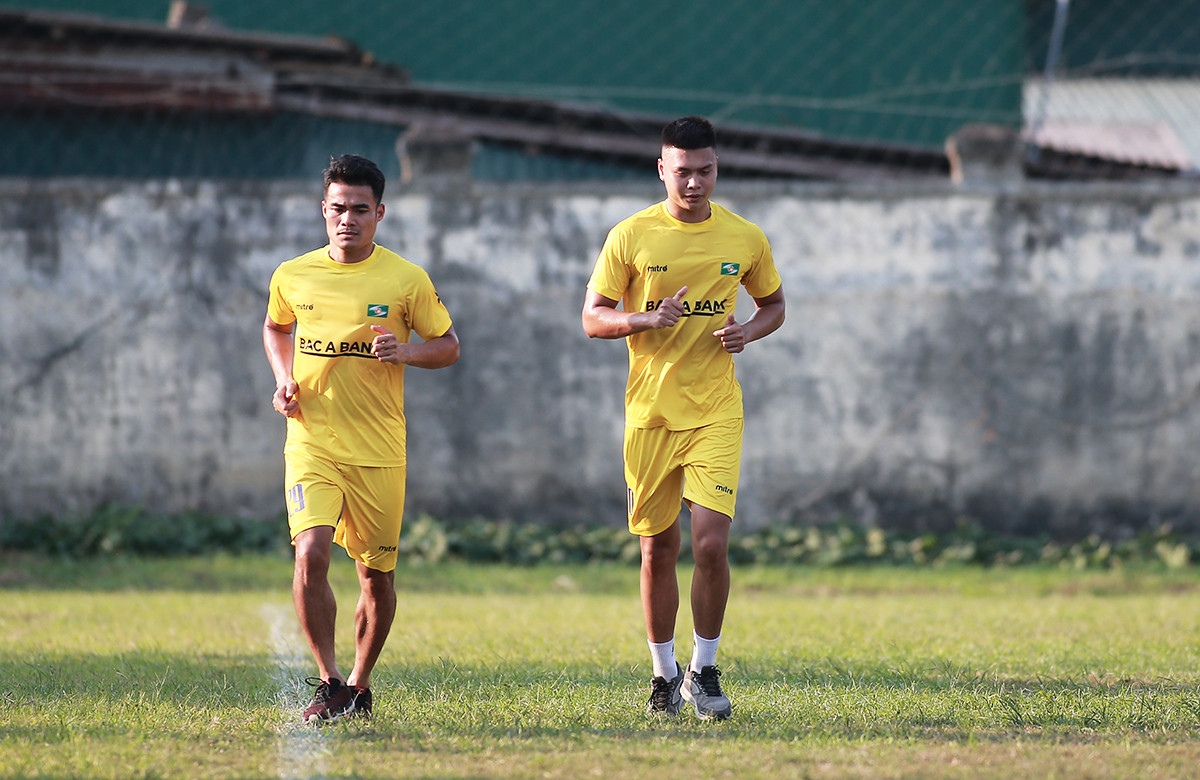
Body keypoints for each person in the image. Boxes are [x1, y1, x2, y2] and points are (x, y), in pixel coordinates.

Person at [581, 117, 785, 720]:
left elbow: (773, 305)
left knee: (712, 543)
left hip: (715, 410)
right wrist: (644, 319)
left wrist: (747, 329)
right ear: (662, 170)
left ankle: (705, 666)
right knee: (658, 548)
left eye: (706, 171)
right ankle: (663, 674)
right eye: (683, 171)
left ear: (716, 169)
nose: (694, 183)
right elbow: (593, 318)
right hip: (650, 414)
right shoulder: (632, 236)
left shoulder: (744, 238)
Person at [262, 154, 460, 723]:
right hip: (311, 442)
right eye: (337, 209)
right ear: (323, 211)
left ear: (380, 212)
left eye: (359, 210)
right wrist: (284, 380)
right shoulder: (292, 274)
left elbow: (448, 346)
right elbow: (276, 327)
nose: (347, 219)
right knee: (311, 556)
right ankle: (327, 680)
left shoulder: (405, 279)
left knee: (376, 577)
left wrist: (406, 352)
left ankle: (360, 682)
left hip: (378, 451)